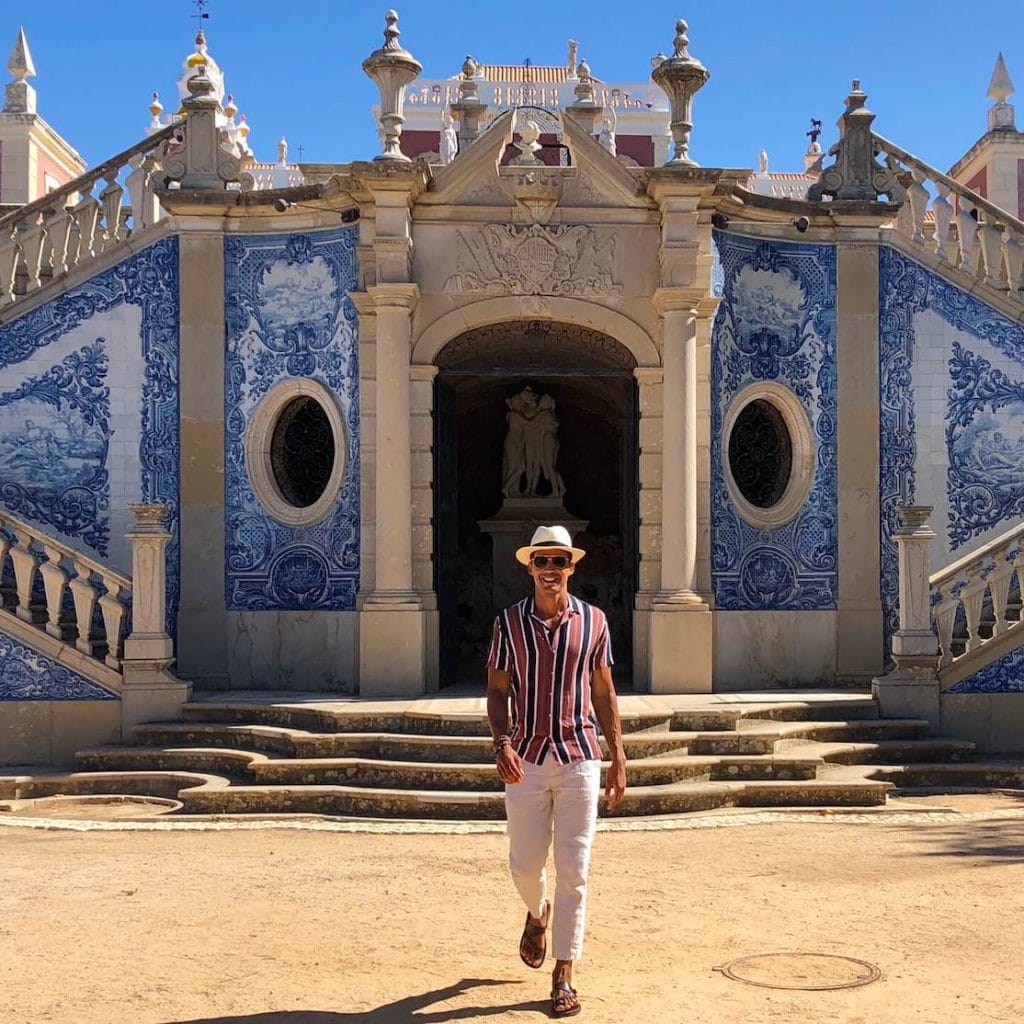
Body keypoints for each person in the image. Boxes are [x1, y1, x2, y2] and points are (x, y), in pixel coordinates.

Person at [486, 524, 627, 1018]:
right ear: (529, 567)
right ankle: (536, 912)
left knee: (575, 870)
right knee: (525, 864)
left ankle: (564, 970)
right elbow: (498, 689)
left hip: (579, 757)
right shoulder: (507, 624)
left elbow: (604, 690)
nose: (550, 570)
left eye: (559, 561)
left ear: (572, 566)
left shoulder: (595, 623)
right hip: (525, 757)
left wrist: (618, 754)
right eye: (542, 561)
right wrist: (501, 741)